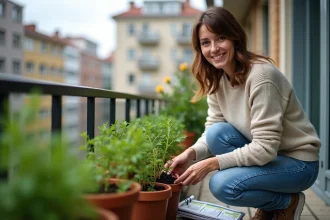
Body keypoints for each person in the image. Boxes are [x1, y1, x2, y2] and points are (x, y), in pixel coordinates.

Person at [165, 6, 320, 220]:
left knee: (222, 184)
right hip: (271, 159)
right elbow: (212, 129)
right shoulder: (218, 80)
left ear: (235, 38)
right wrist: (190, 154)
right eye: (205, 42)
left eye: (220, 38)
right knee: (217, 133)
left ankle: (286, 202)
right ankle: (270, 207)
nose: (214, 48)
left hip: (298, 164)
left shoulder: (261, 77)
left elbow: (265, 148)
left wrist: (211, 163)